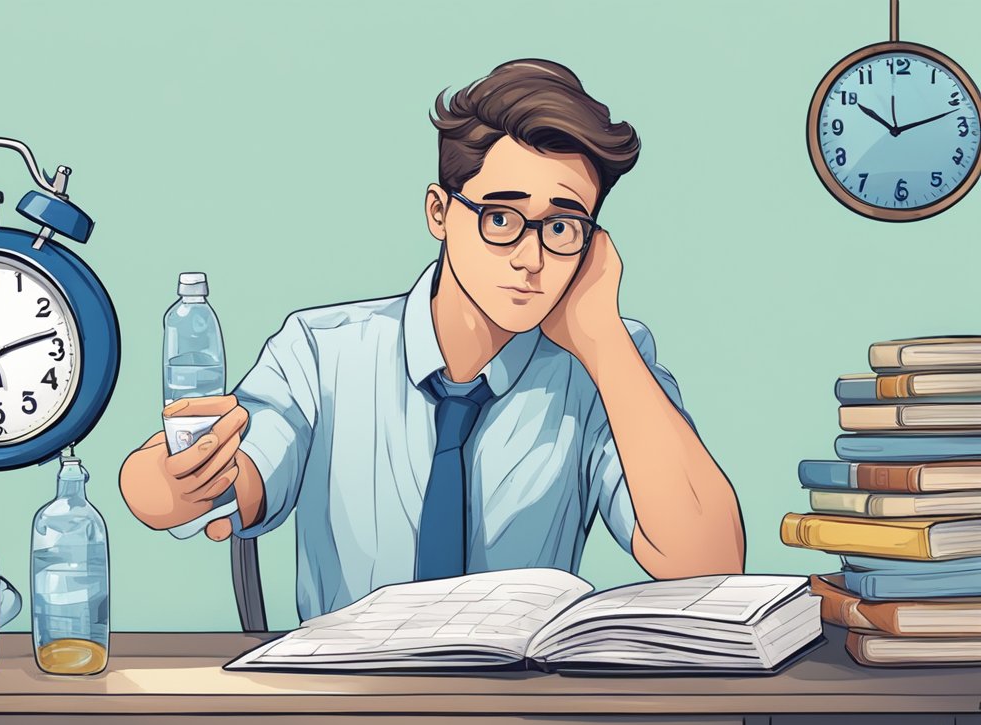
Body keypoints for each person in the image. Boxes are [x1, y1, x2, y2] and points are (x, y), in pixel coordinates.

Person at [120, 58, 745, 621]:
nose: (532, 257)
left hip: (526, 724)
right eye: (501, 218)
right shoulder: (321, 351)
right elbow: (242, 476)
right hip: (343, 716)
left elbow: (708, 565)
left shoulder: (605, 364)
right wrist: (166, 483)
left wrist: (605, 338)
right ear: (439, 213)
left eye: (562, 225)